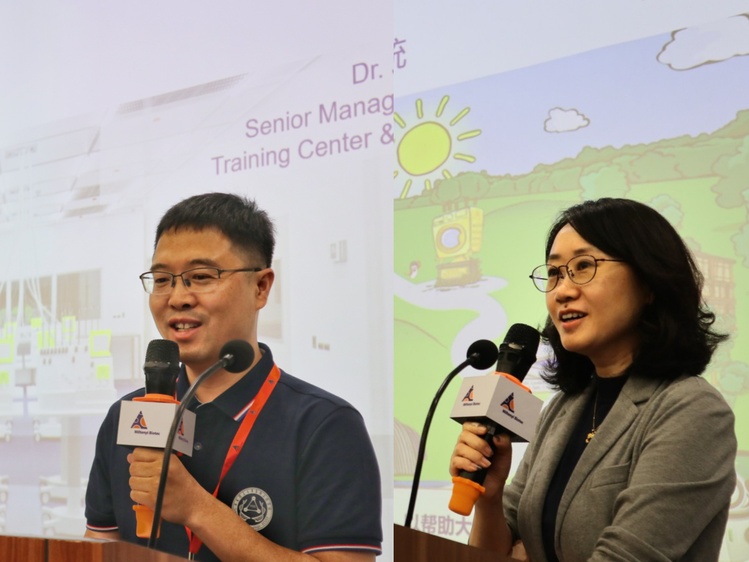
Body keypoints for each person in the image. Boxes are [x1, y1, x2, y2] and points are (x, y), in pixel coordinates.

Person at [84, 192, 383, 562]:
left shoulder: (324, 425)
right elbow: (98, 548)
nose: (177, 297)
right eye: (162, 279)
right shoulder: (126, 416)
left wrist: (197, 508)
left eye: (201, 277)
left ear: (261, 287)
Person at [450, 198, 736, 561]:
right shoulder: (563, 408)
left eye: (584, 266)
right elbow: (497, 552)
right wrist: (489, 500)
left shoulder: (693, 411)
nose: (562, 291)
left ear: (649, 282)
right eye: (554, 273)